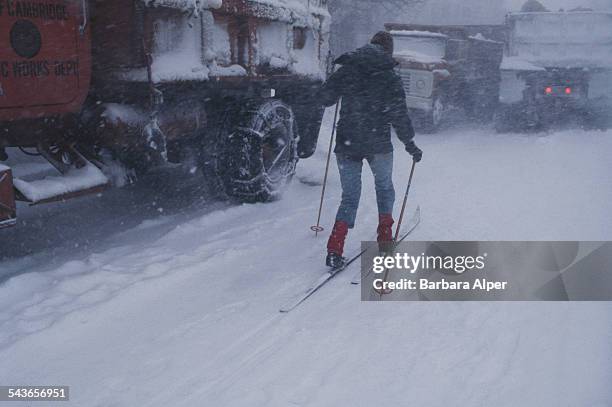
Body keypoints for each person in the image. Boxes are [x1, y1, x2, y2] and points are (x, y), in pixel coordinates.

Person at [319, 31, 422, 268]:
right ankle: (385, 242)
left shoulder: (348, 68)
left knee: (350, 196)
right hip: (378, 144)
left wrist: (333, 86)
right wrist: (410, 144)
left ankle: (335, 248)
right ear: (389, 51)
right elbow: (399, 114)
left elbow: (325, 98)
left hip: (347, 142)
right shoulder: (389, 76)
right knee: (384, 187)